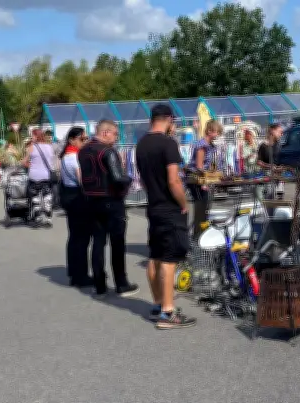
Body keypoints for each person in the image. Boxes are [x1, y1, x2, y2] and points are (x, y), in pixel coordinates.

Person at [135, 104, 196, 329]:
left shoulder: (141, 144)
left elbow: (141, 180)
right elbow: (174, 180)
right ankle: (168, 313)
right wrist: (184, 204)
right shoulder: (168, 144)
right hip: (169, 208)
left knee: (156, 256)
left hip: (153, 205)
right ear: (169, 119)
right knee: (169, 259)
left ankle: (158, 304)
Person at [78, 119, 138, 297]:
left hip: (91, 200)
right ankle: (121, 283)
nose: (116, 138)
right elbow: (118, 178)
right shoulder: (108, 151)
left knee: (98, 242)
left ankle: (99, 284)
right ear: (105, 133)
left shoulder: (83, 150)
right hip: (111, 201)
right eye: (115, 134)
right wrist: (130, 179)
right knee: (117, 243)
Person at [59, 127, 93, 287]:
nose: (85, 142)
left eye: (86, 139)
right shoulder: (74, 158)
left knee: (74, 237)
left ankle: (74, 272)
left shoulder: (66, 156)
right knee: (81, 238)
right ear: (72, 139)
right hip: (78, 200)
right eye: (82, 139)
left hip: (69, 197)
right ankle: (81, 276)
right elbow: (83, 181)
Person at [186, 120, 223, 239]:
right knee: (201, 209)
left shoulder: (209, 145)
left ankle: (200, 234)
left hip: (202, 179)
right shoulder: (202, 145)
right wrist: (207, 181)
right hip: (197, 180)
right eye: (217, 132)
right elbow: (199, 166)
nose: (217, 135)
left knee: (204, 208)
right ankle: (197, 236)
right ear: (209, 131)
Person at [21, 129, 56, 226]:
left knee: (35, 197)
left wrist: (30, 165)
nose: (31, 138)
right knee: (47, 196)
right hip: (46, 176)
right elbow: (51, 161)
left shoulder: (31, 147)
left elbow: (24, 162)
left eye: (32, 136)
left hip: (34, 176)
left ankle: (38, 217)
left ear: (36, 136)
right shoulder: (50, 147)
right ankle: (49, 218)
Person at [256, 123, 284, 200]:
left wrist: (282, 167)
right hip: (268, 177)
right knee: (269, 199)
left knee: (280, 198)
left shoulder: (279, 145)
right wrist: (269, 166)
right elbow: (258, 162)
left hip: (279, 178)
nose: (281, 134)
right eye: (279, 132)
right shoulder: (263, 146)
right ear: (272, 131)